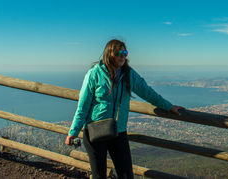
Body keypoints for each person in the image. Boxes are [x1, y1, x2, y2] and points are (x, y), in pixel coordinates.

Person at [65, 39, 184, 179]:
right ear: (109, 54)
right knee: (99, 175)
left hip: (118, 130)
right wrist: (73, 132)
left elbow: (147, 92)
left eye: (125, 52)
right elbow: (83, 106)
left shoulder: (128, 74)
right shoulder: (94, 74)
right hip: (94, 131)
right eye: (118, 53)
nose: (122, 56)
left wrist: (169, 106)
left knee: (126, 175)